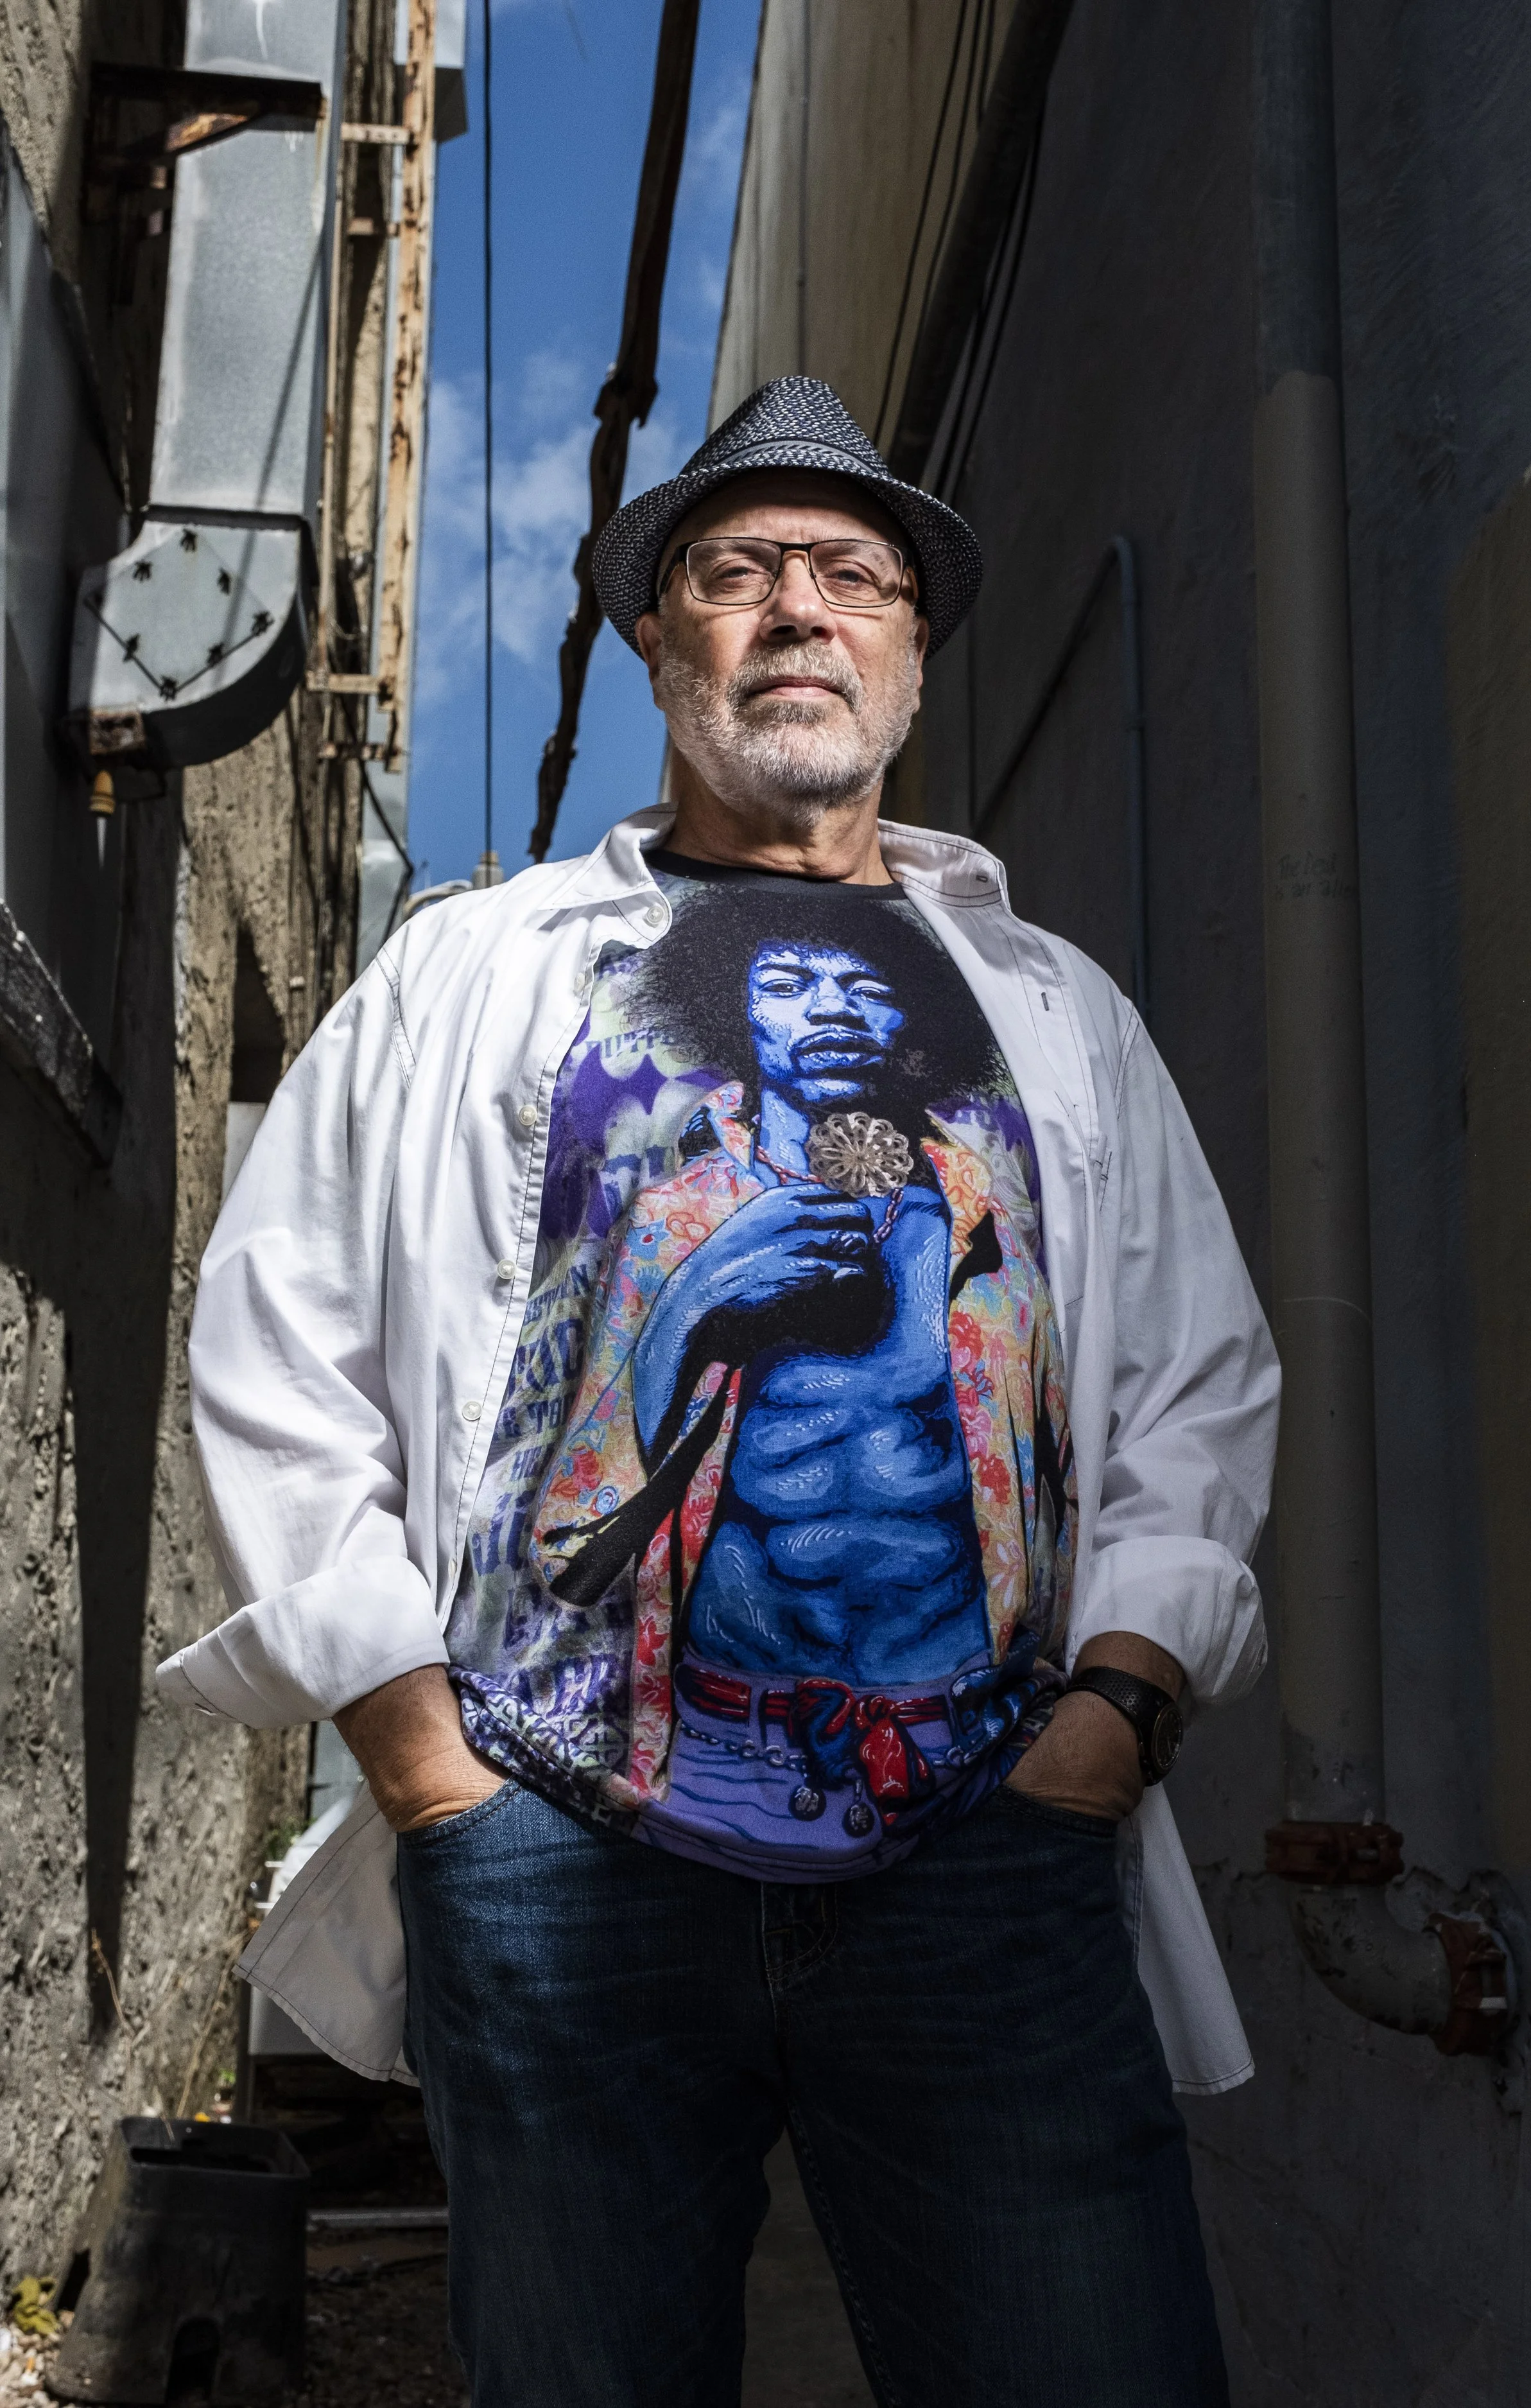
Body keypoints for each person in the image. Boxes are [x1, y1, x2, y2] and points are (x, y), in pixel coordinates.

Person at [162, 377, 1279, 2407]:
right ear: (655, 635)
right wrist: (429, 1764)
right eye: (734, 572)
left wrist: (1112, 1717)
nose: (794, 611)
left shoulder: (1051, 1017)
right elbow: (280, 1340)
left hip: (984, 1836)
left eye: (849, 576)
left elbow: (1194, 1382)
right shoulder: (472, 968)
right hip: (568, 1832)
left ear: (910, 651)